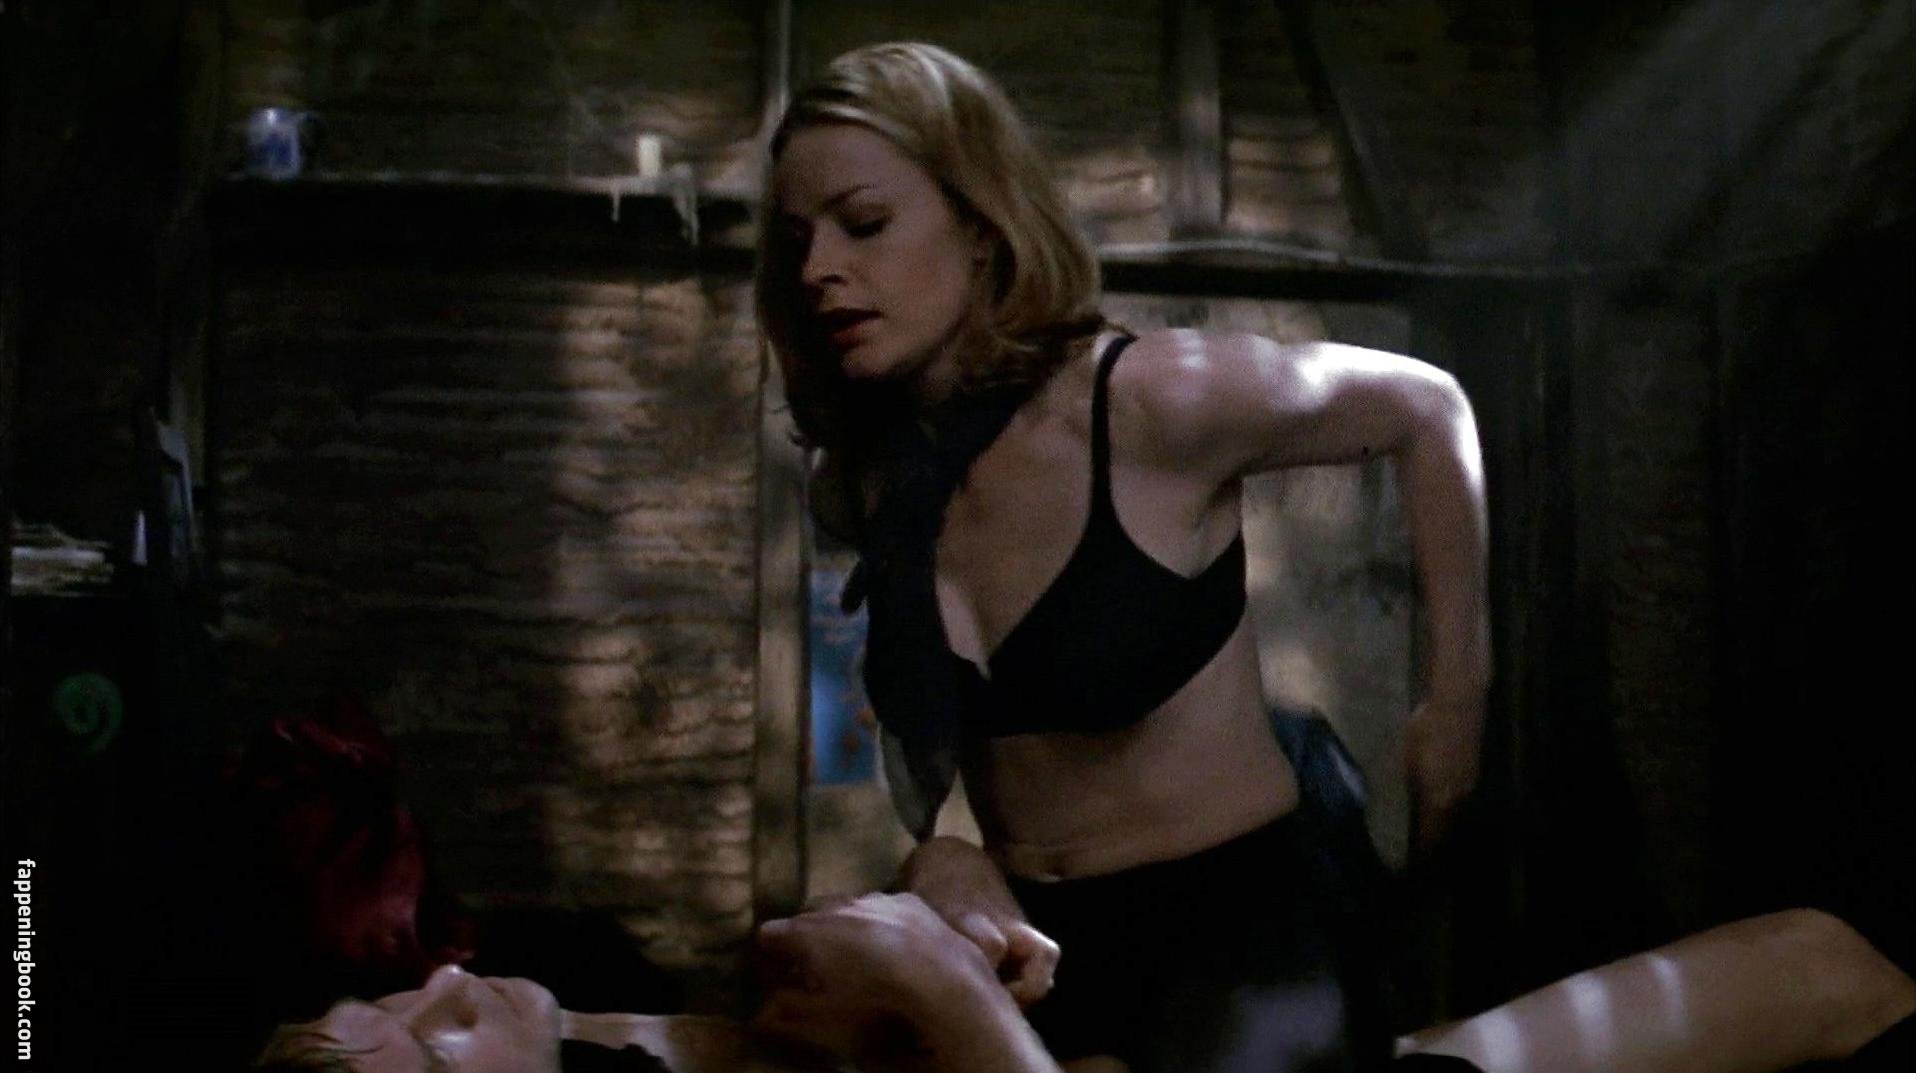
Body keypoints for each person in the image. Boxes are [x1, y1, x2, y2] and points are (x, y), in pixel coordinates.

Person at [755, 40, 1489, 1070]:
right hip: (1045, 943)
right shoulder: (870, 484)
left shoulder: (1151, 401)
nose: (818, 269)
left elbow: (1427, 405)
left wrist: (1454, 696)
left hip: (1244, 937)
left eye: (863, 223)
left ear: (981, 227)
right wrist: (947, 860)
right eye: (798, 241)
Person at [254, 893, 1916, 1073]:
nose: (438, 981)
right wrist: (950, 1001)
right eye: (415, 1044)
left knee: (1825, 961)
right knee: (1820, 972)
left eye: (369, 1002)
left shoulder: (580, 1038)